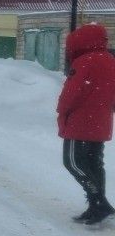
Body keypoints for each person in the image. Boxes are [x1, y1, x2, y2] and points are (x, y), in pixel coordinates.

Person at [58, 23, 115, 225]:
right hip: (100, 122)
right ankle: (95, 206)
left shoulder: (83, 62)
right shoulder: (110, 60)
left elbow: (71, 94)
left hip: (80, 123)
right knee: (94, 163)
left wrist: (62, 110)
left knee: (73, 163)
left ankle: (100, 203)